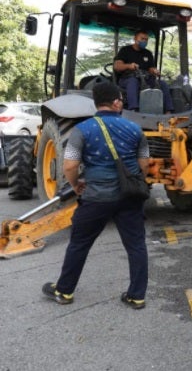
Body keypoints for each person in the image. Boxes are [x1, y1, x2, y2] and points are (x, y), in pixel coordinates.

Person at [42, 82, 150, 309]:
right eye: (120, 99)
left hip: (96, 197)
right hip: (130, 197)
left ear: (96, 103)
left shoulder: (83, 129)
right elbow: (144, 164)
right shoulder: (135, 129)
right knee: (136, 245)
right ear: (116, 102)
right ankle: (136, 296)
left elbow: (70, 165)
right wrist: (133, 181)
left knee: (79, 244)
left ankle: (64, 291)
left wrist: (76, 185)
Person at [114, 30, 174, 113]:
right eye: (142, 39)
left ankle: (168, 111)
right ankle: (133, 110)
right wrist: (129, 66)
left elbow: (150, 68)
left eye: (146, 40)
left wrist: (154, 71)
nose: (144, 41)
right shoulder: (125, 50)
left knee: (162, 84)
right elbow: (117, 66)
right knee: (133, 82)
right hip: (127, 78)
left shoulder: (148, 53)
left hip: (145, 78)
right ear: (135, 38)